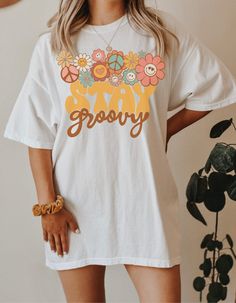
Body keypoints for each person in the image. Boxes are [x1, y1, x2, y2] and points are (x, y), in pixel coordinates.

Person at [3, 0, 236, 302]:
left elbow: (214, 85)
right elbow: (37, 135)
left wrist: (162, 130)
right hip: (74, 209)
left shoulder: (160, 33)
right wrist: (49, 208)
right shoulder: (54, 44)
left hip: (145, 206)